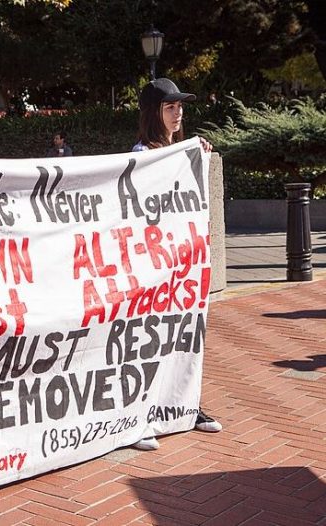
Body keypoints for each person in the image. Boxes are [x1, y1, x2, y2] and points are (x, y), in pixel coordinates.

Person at [131, 77, 221, 451]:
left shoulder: (182, 150)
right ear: (154, 113)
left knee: (183, 338)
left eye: (180, 107)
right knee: (147, 343)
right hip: (151, 267)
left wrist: (196, 153)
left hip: (179, 267)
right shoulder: (141, 152)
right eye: (170, 107)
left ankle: (185, 405)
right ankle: (139, 418)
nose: (178, 113)